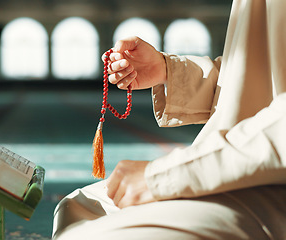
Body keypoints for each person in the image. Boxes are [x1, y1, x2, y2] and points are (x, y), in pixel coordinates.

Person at [52, 0, 286, 239]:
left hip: (269, 180)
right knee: (80, 206)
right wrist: (166, 69)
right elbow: (262, 78)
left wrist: (163, 177)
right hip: (245, 165)